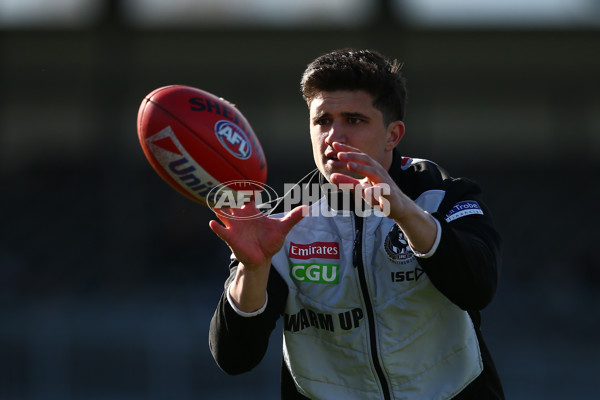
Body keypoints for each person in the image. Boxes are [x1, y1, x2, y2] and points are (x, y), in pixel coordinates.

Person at [208, 48, 504, 400]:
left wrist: (406, 214)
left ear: (393, 135)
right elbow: (234, 358)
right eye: (322, 121)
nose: (334, 136)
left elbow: (478, 288)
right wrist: (252, 268)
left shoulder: (441, 194)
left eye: (354, 120)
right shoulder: (281, 220)